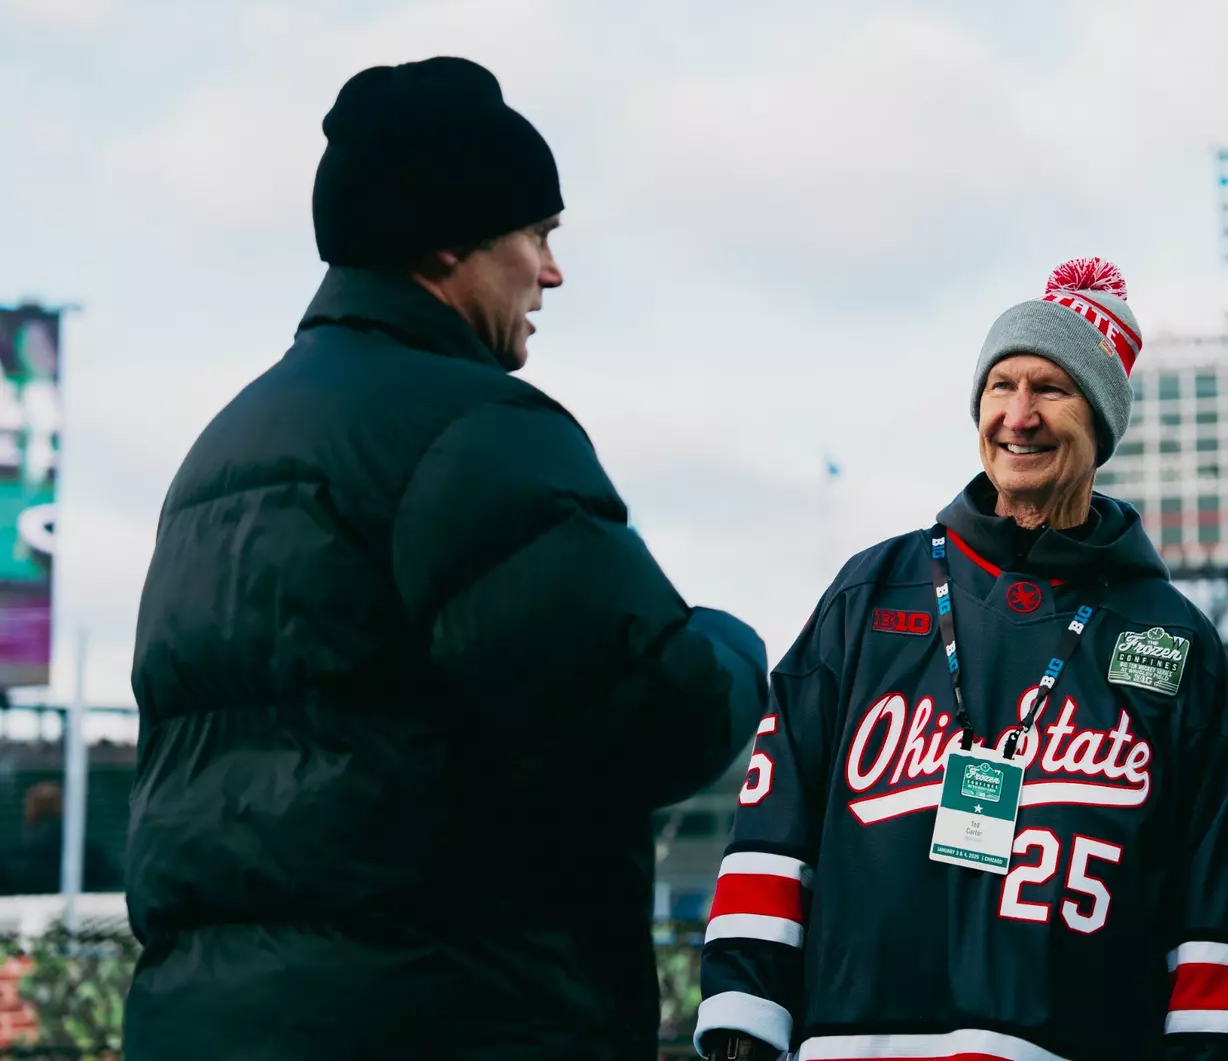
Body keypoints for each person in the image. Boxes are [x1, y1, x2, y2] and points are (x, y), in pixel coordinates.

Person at [122, 56, 768, 1061]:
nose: (552, 273)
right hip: (440, 1012)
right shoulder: (471, 431)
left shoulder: (222, 449)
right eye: (538, 236)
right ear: (447, 244)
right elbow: (651, 713)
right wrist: (733, 643)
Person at [696, 259, 1228, 1061]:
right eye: (1002, 386)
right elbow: (773, 819)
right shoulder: (869, 593)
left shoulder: (1172, 636)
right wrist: (744, 1010)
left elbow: (1214, 894)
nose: (1019, 416)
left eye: (1051, 390)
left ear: (1099, 423)